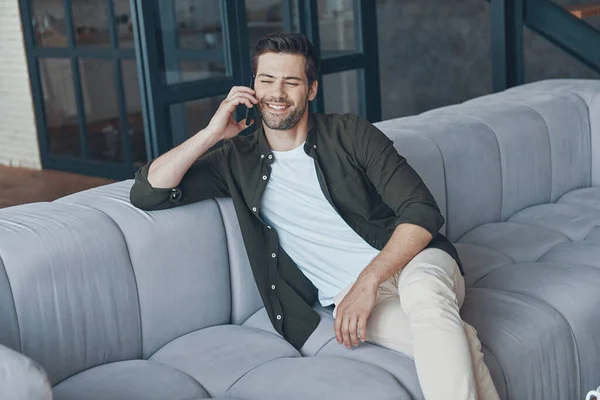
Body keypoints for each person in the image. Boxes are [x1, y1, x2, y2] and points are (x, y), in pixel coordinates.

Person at [130, 32, 500, 400]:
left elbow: (421, 210)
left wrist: (368, 281)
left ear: (311, 89)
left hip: (415, 261)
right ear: (252, 87)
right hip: (351, 298)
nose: (277, 93)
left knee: (428, 301)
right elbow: (148, 193)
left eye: (291, 82)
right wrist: (211, 133)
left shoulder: (352, 134)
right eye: (266, 81)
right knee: (458, 339)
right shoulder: (235, 158)